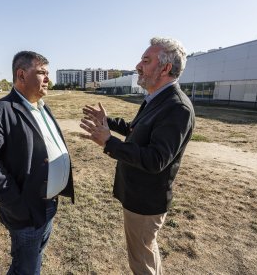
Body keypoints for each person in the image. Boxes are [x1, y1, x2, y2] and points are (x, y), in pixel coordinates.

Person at [80, 37, 195, 275]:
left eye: (146, 60)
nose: (138, 66)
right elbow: (136, 129)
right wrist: (107, 122)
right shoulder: (158, 98)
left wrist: (109, 142)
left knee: (140, 260)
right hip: (138, 195)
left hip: (146, 201)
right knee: (145, 251)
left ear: (165, 68)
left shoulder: (176, 107)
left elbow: (155, 159)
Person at [0, 51, 74, 274]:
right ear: (21, 75)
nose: (48, 78)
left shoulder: (42, 107)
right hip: (26, 211)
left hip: (48, 205)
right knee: (26, 268)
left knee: (31, 260)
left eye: (48, 73)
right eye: (41, 73)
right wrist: (16, 204)